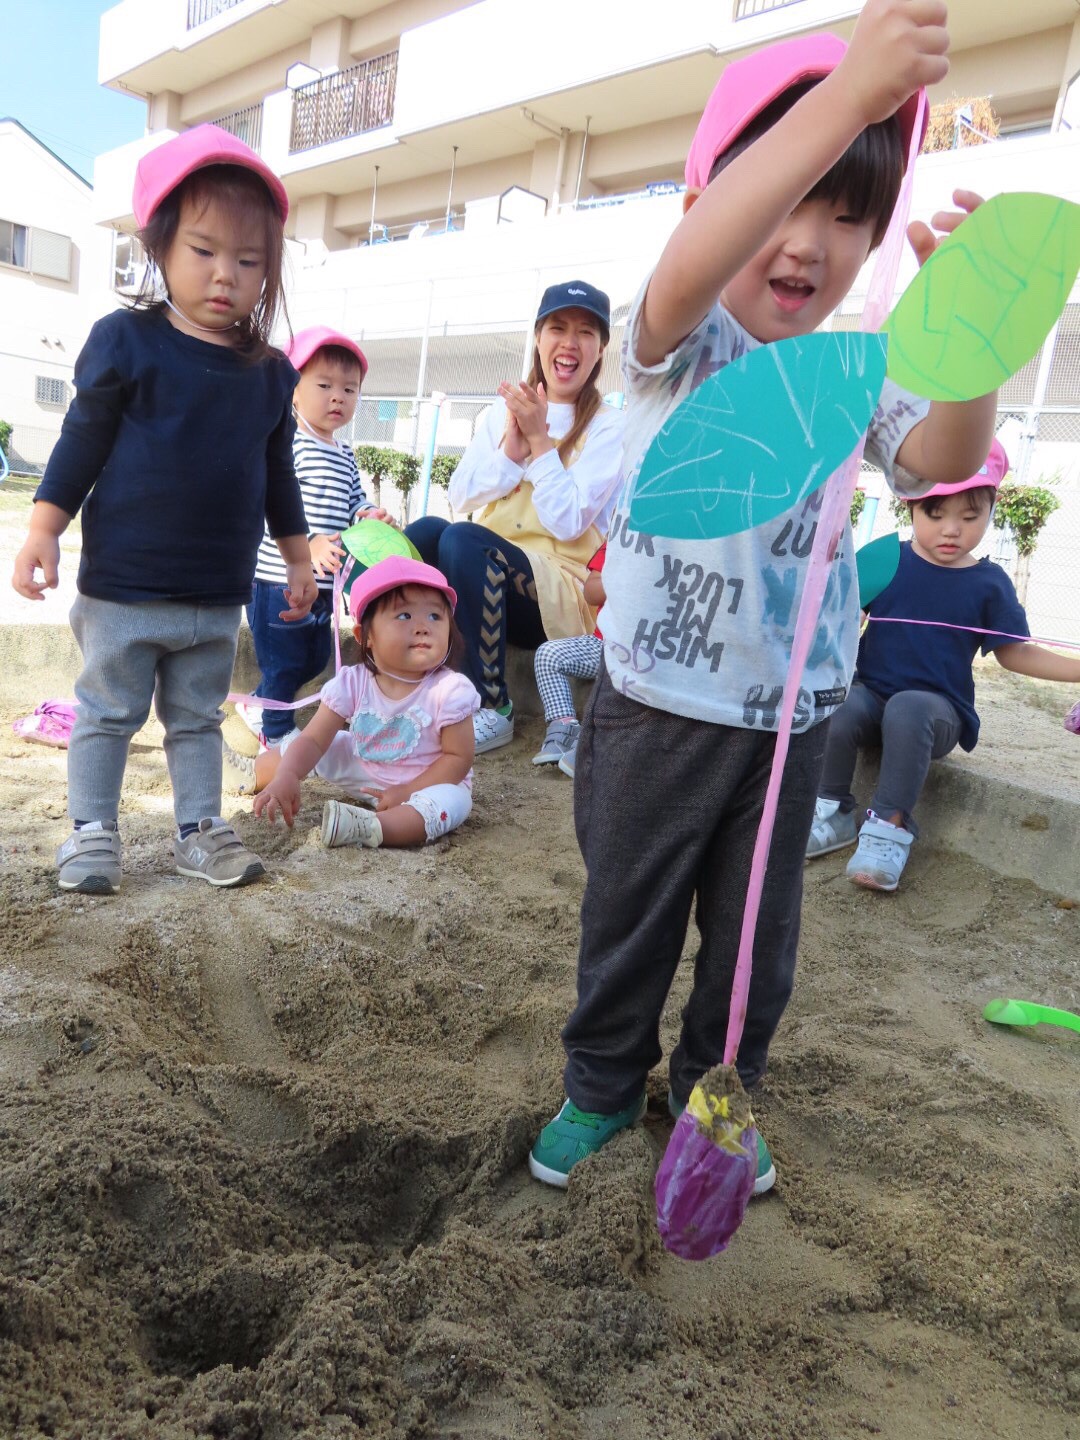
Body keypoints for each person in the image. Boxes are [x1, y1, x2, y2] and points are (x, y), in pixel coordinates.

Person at [529, 2, 1003, 1192]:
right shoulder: (673, 348)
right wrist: (850, 97)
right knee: (630, 921)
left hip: (791, 724)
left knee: (756, 950)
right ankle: (598, 1089)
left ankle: (715, 1097)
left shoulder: (855, 375)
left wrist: (973, 346)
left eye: (850, 217)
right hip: (654, 709)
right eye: (785, 200)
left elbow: (942, 457)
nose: (810, 241)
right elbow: (692, 263)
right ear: (718, 199)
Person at [10, 125, 317, 894]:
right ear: (161, 248)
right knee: (108, 711)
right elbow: (81, 441)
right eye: (204, 251)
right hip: (124, 583)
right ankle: (91, 832)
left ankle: (197, 829)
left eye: (249, 262)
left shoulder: (272, 374)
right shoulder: (127, 342)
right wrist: (44, 526)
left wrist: (299, 555)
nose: (226, 275)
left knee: (197, 719)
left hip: (216, 592)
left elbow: (277, 472)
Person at [807, 440, 1080, 890]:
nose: (951, 530)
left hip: (936, 714)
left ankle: (888, 828)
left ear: (991, 510)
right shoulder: (884, 559)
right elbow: (836, 619)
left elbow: (1015, 653)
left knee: (910, 707)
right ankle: (831, 810)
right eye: (936, 514)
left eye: (969, 517)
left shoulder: (989, 584)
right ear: (911, 506)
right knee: (842, 703)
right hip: (873, 699)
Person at [406, 280, 625, 754]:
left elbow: (568, 523)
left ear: (601, 348)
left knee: (465, 541)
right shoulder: (497, 413)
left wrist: (540, 442)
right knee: (425, 535)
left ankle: (491, 707)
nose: (570, 342)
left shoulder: (612, 427)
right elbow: (461, 493)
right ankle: (401, 685)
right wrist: (512, 448)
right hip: (482, 568)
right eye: (558, 328)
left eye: (586, 332)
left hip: (558, 594)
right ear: (539, 338)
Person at [249, 557, 480, 848]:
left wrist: (407, 791)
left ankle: (368, 827)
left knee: (453, 800)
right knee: (325, 745)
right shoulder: (352, 682)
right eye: (404, 616)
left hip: (427, 783)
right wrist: (289, 774)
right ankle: (255, 773)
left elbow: (458, 760)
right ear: (365, 636)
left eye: (435, 616)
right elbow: (313, 741)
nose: (423, 627)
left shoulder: (451, 689)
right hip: (365, 769)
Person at [243, 325, 395, 749]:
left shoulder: (344, 454)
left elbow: (354, 502)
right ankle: (273, 730)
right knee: (285, 660)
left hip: (326, 582)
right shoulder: (286, 442)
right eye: (324, 385)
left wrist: (370, 515)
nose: (337, 397)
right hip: (280, 578)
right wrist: (305, 543)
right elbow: (270, 500)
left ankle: (257, 704)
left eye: (349, 389)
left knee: (313, 656)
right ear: (293, 389)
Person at [531, 542, 606, 778]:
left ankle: (601, 746)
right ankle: (565, 726)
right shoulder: (622, 537)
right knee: (548, 654)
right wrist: (627, 578)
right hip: (605, 642)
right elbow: (591, 591)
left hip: (649, 650)